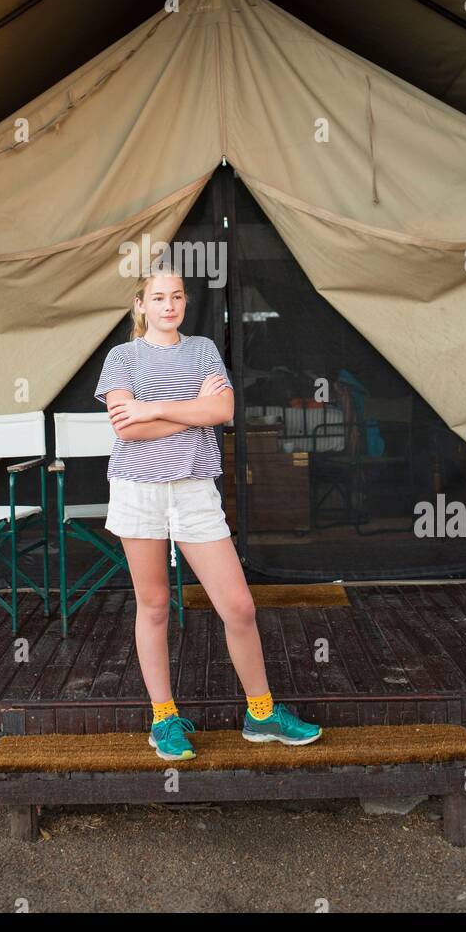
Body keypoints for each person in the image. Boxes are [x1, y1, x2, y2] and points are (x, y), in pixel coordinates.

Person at [94, 268, 323, 761]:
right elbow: (125, 430)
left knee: (239, 606)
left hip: (195, 492)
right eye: (158, 297)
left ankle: (261, 714)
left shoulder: (201, 350)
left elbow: (222, 411)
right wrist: (188, 408)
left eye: (176, 296)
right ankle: (164, 719)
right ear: (141, 305)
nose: (169, 305)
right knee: (154, 606)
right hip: (139, 490)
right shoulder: (122, 357)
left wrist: (152, 409)